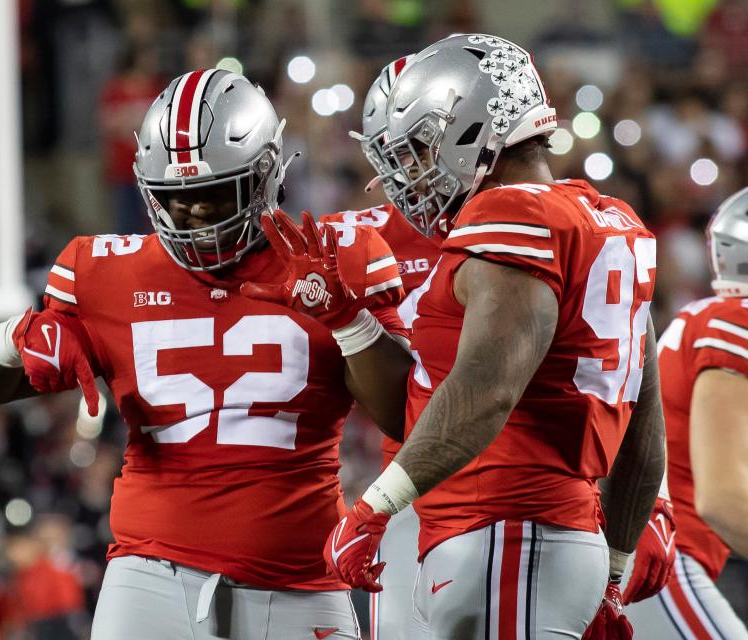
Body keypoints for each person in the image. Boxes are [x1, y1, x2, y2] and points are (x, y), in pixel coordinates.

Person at [0, 68, 412, 640]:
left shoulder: (334, 255)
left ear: (266, 175)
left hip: (300, 578)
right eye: (176, 200)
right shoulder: (102, 271)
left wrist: (347, 318)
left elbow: (403, 415)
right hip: (150, 576)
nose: (193, 217)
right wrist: (15, 338)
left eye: (214, 195)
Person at [254, 34, 665, 638]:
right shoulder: (610, 222)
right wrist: (615, 564)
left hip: (509, 532)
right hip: (543, 539)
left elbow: (485, 389)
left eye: (420, 148)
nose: (409, 172)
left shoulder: (509, 214)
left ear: (471, 129)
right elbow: (644, 430)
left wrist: (372, 508)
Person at [319, 54, 445, 640]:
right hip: (408, 487)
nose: (409, 172)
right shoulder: (352, 237)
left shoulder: (547, 221)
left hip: (535, 481)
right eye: (394, 154)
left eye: (421, 148)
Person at [625, 187, 748, 639]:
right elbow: (722, 500)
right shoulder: (734, 323)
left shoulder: (714, 316)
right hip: (665, 553)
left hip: (655, 548)